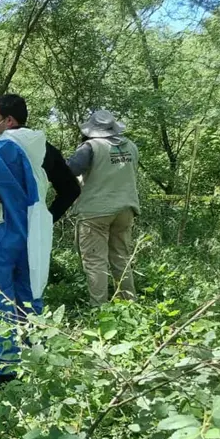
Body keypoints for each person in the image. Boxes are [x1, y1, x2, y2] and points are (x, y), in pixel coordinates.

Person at [0, 93, 78, 384]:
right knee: (30, 295)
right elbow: (71, 189)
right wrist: (45, 218)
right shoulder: (44, 148)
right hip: (33, 236)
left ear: (9, 121)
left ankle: (6, 371)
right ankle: (34, 362)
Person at [67, 110, 140, 305]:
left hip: (95, 211)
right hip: (125, 208)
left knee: (95, 261)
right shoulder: (130, 146)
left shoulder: (90, 147)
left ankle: (99, 308)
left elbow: (70, 170)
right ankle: (128, 305)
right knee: (121, 258)